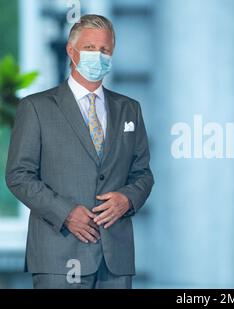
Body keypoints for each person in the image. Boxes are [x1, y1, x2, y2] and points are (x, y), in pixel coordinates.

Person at [6, 14, 154, 289]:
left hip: (115, 261)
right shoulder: (36, 107)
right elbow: (19, 175)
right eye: (89, 49)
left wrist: (127, 199)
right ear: (71, 51)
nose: (98, 56)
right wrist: (66, 213)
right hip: (58, 256)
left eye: (105, 50)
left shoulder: (129, 108)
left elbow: (143, 174)